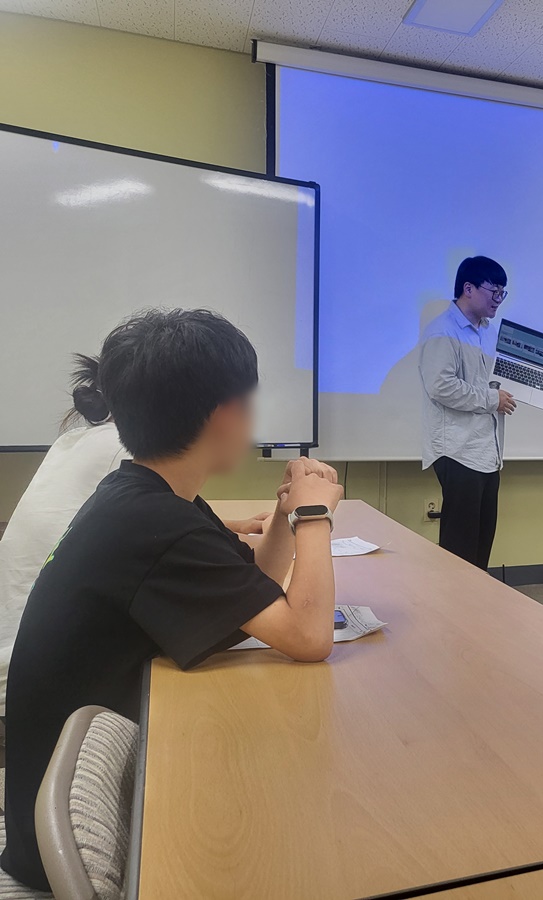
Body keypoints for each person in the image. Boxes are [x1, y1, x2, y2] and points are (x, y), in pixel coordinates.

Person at [1, 309, 344, 890]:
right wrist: (314, 514)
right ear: (226, 415)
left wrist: (285, 514)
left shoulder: (147, 494)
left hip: (59, 799)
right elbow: (309, 637)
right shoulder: (158, 523)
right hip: (74, 840)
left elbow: (252, 592)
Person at [0, 357, 270, 720]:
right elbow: (160, 522)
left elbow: (153, 519)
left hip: (29, 648)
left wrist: (232, 525)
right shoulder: (125, 450)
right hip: (47, 689)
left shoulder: (79, 440)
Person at [418, 256, 543, 569]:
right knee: (460, 547)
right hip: (457, 451)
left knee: (482, 541)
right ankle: (454, 600)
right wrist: (491, 400)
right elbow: (441, 386)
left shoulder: (489, 332)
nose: (499, 298)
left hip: (487, 452)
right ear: (468, 288)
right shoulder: (442, 331)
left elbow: (504, 379)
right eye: (493, 291)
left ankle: (476, 599)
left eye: (502, 292)